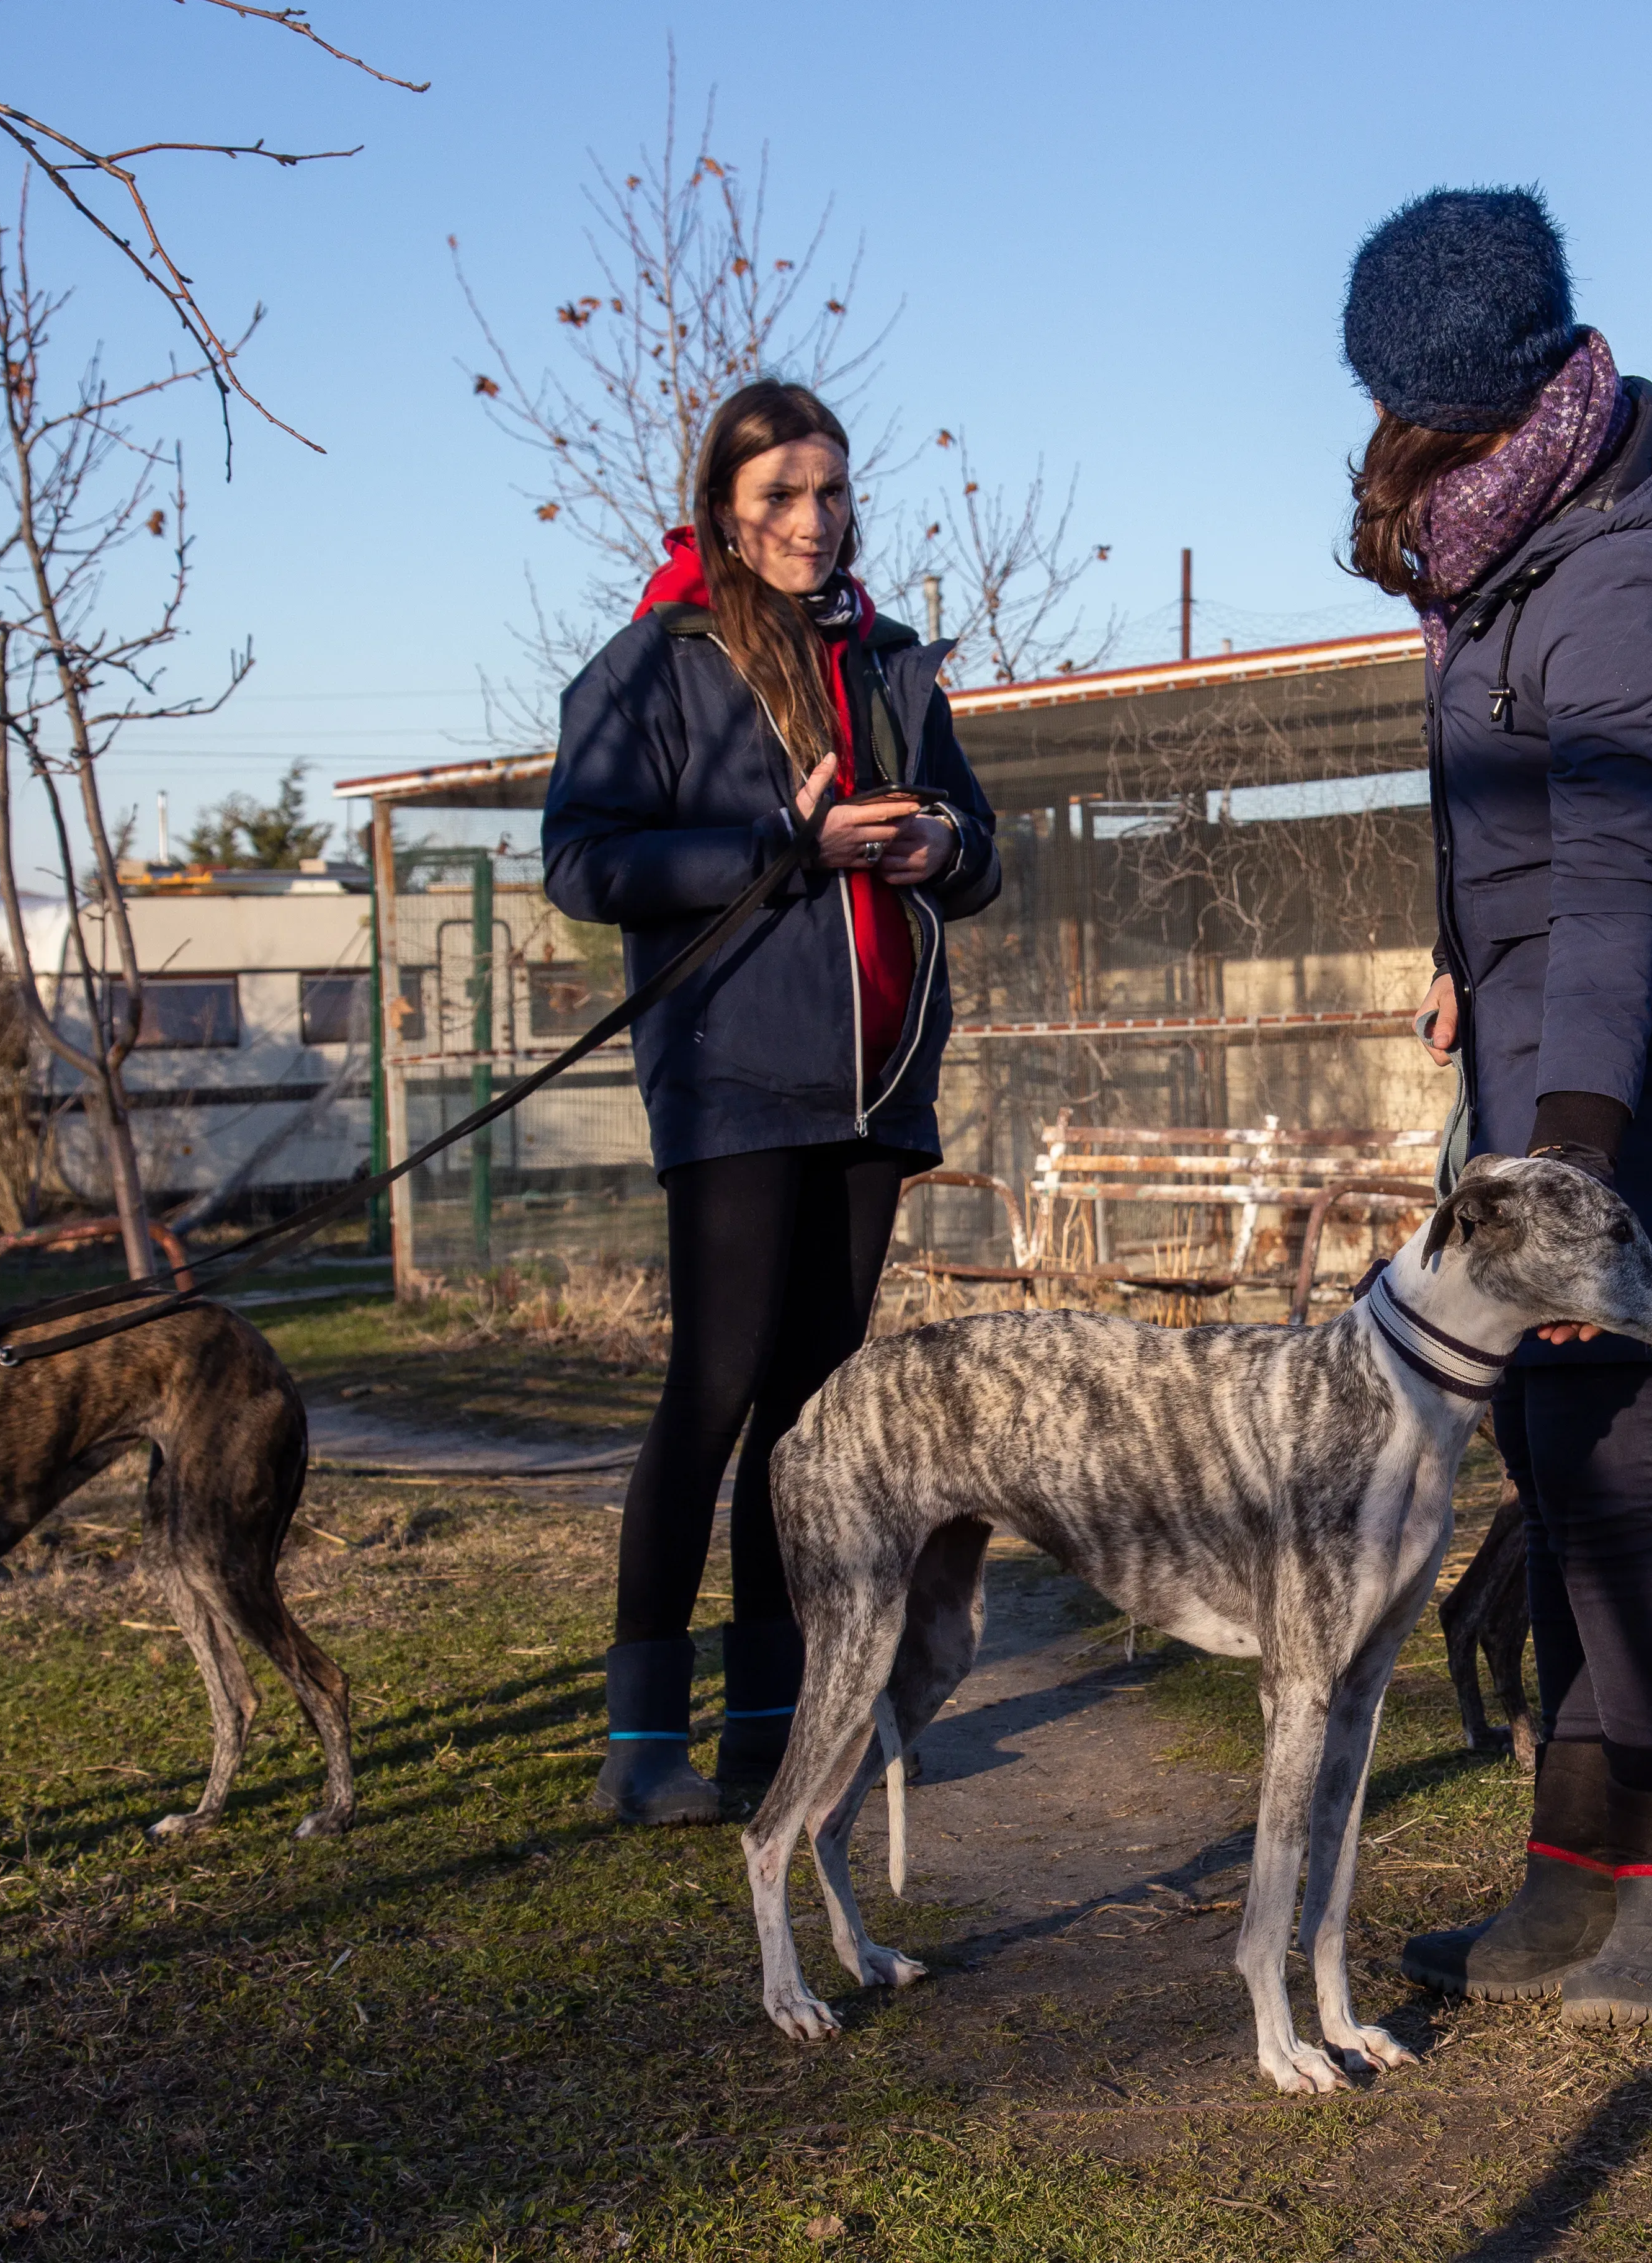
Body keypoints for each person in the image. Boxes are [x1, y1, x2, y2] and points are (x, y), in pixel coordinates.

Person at [1340, 187, 1652, 2024]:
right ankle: (1563, 1885)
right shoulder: (1523, 531)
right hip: (1555, 1059)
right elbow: (1506, 819)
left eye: (1424, 412)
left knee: (1611, 1475)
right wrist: (1461, 942)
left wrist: (1574, 1179)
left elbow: (1619, 886)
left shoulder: (1626, 578)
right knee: (1551, 1463)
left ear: (1504, 389)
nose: (1400, 447)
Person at [543, 380, 999, 1824]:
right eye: (780, 498)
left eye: (833, 493)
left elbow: (983, 849)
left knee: (809, 1418)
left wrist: (939, 845)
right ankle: (639, 1746)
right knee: (717, 1389)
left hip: (874, 1084)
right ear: (724, 511)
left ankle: (765, 1732)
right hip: (733, 1070)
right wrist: (782, 842)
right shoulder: (652, 666)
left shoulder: (897, 665)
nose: (812, 522)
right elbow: (587, 866)